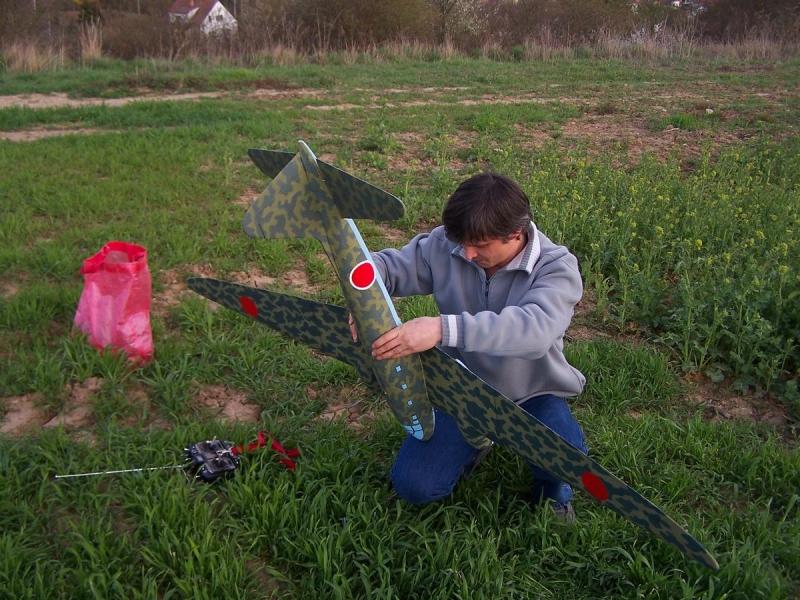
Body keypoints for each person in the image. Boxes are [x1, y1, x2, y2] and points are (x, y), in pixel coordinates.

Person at [354, 172, 587, 521]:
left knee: (570, 461)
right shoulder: (451, 244)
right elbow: (386, 266)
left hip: (532, 391)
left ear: (516, 234)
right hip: (459, 387)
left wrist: (440, 329)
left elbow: (534, 330)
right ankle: (478, 441)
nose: (466, 252)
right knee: (415, 486)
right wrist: (362, 296)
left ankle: (553, 491)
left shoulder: (557, 267)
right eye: (462, 242)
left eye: (480, 245)